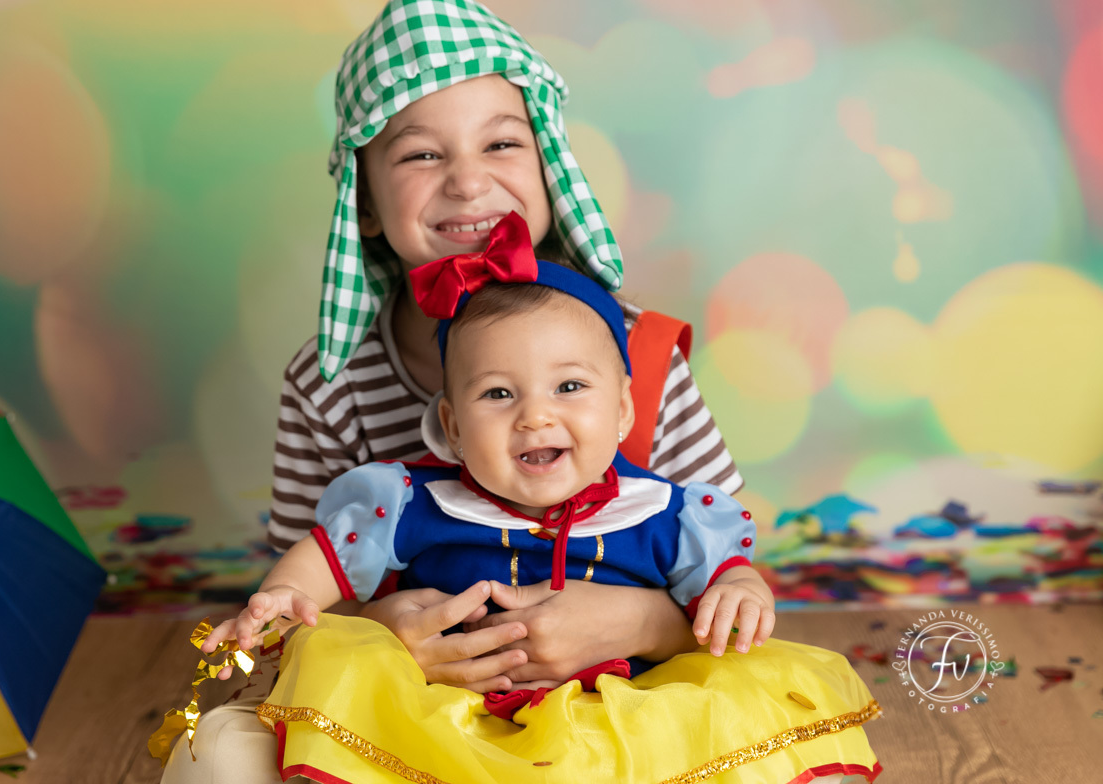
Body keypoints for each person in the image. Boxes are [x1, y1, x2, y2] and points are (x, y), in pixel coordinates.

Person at [200, 218, 882, 783]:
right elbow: (326, 557)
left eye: (570, 387)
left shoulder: (663, 513)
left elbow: (724, 580)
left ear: (622, 411)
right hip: (449, 722)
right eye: (499, 394)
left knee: (754, 736)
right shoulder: (413, 503)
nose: (535, 416)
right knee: (252, 750)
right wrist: (282, 595)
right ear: (452, 427)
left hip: (627, 724)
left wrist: (739, 589)